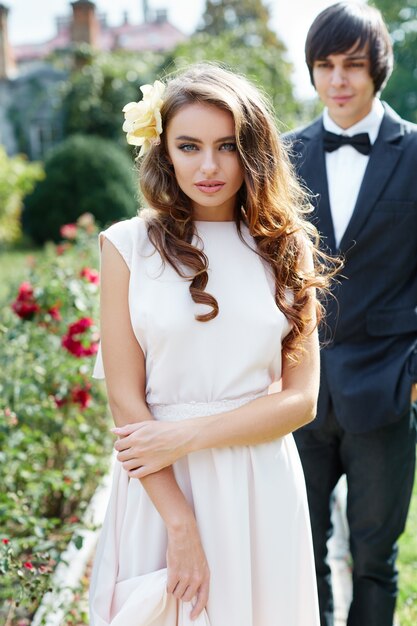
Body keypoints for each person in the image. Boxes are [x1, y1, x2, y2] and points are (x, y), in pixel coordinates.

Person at [88, 63, 334, 625]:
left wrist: (183, 435)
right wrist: (180, 525)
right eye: (189, 145)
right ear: (164, 152)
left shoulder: (285, 247)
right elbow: (127, 405)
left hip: (259, 485)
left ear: (253, 151)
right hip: (159, 492)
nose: (208, 166)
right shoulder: (126, 246)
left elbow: (301, 400)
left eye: (227, 146)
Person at [286, 3, 417, 626]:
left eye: (353, 65)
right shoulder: (283, 157)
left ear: (377, 70)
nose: (338, 79)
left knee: (373, 557)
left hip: (388, 386)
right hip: (296, 393)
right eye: (325, 65)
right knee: (297, 553)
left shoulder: (415, 151)